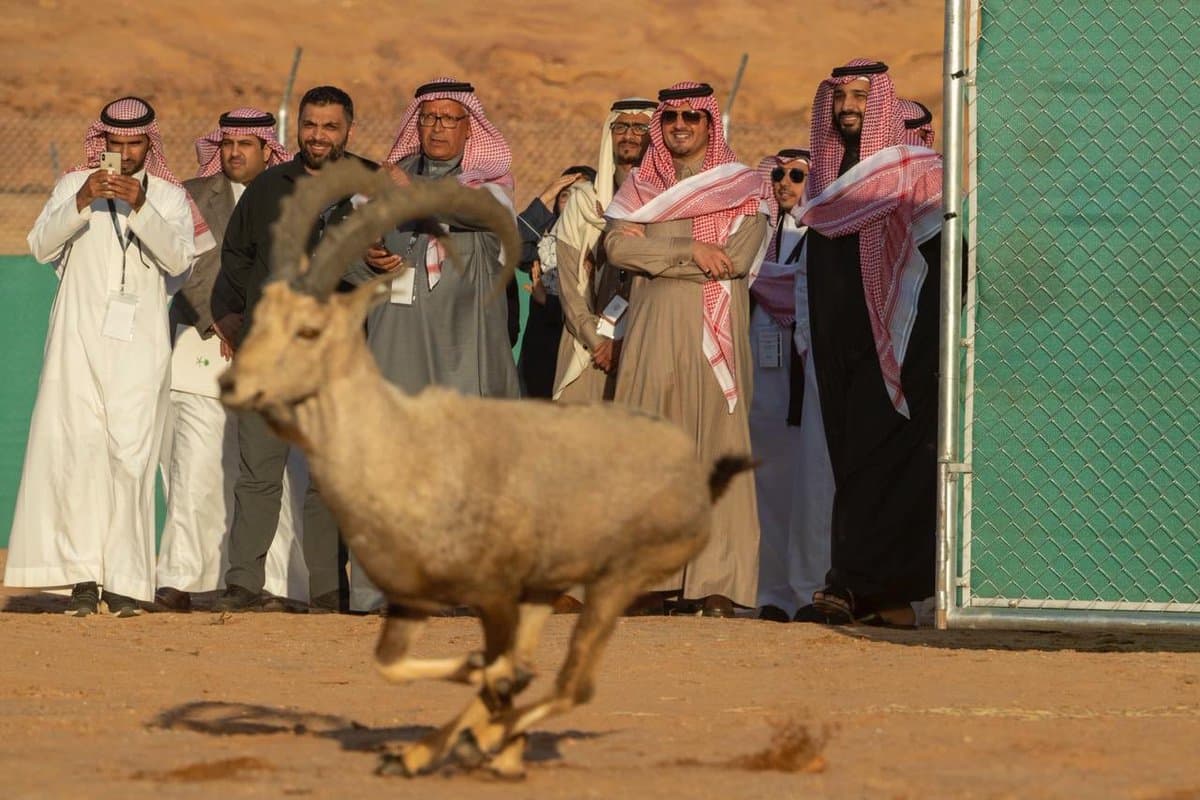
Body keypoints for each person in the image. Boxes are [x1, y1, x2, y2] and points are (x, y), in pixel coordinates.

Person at [5, 97, 196, 617]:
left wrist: (141, 206)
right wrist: (83, 200)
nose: (125, 154)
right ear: (103, 143)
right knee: (78, 453)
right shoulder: (72, 186)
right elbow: (41, 246)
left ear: (149, 144)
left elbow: (180, 258)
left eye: (136, 145)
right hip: (77, 338)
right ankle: (83, 580)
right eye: (117, 144)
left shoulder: (172, 198)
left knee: (130, 458)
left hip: (140, 343)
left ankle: (128, 582)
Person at [343, 77, 519, 611]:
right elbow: (346, 258)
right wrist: (369, 258)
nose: (437, 128)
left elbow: (469, 213)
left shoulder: (488, 188)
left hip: (464, 346)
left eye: (450, 118)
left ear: (471, 127)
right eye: (428, 118)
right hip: (396, 342)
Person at [605, 81, 768, 618]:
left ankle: (717, 582)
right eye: (670, 115)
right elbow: (616, 250)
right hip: (652, 327)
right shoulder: (640, 187)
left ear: (708, 124)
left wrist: (654, 250)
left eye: (691, 117)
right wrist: (691, 249)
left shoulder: (743, 185)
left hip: (714, 330)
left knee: (717, 450)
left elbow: (738, 258)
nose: (679, 124)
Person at [796, 60, 946, 627]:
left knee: (897, 464)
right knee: (852, 462)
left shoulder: (918, 170)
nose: (848, 105)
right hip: (844, 345)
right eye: (840, 96)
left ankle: (872, 591)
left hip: (903, 342)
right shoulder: (829, 182)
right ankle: (862, 585)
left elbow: (937, 258)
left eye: (861, 95)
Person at [212, 86, 370, 613]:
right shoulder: (267, 186)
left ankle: (328, 589)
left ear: (348, 129)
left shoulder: (368, 185)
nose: (318, 135)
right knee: (258, 470)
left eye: (329, 126)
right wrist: (233, 313)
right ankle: (242, 583)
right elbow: (236, 253)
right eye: (310, 125)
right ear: (296, 127)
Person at [155, 107, 309, 612]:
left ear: (269, 149)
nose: (235, 153)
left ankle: (280, 584)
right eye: (228, 144)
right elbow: (187, 267)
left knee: (275, 473)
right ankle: (181, 577)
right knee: (195, 468)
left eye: (247, 144)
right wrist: (222, 321)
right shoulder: (195, 195)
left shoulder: (292, 195)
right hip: (204, 348)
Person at [749, 147, 834, 623]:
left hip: (806, 374)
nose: (785, 183)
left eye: (797, 175)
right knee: (768, 485)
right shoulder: (761, 235)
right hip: (764, 381)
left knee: (811, 487)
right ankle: (773, 593)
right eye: (778, 174)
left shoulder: (822, 233)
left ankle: (810, 589)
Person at [551, 97, 656, 405]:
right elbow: (570, 285)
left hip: (644, 343)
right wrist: (597, 341)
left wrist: (626, 342)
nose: (630, 134)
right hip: (586, 346)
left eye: (640, 127)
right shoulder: (584, 201)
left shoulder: (666, 204)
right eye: (621, 126)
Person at [516, 164, 596, 398]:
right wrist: (546, 196)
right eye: (564, 195)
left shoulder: (603, 238)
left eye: (580, 195)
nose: (571, 202)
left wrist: (548, 301)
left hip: (583, 341)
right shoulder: (545, 237)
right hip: (543, 342)